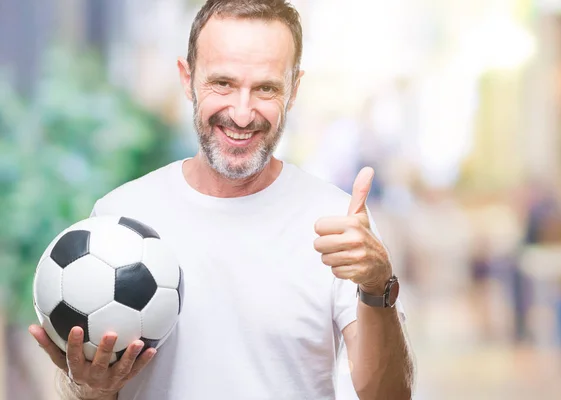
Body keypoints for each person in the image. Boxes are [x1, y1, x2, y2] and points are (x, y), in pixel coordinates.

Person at [28, 1, 414, 399]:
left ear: (294, 90)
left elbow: (390, 396)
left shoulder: (339, 223)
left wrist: (376, 286)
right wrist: (91, 388)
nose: (243, 113)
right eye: (223, 83)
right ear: (187, 77)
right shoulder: (119, 219)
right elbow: (90, 392)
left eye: (265, 88)